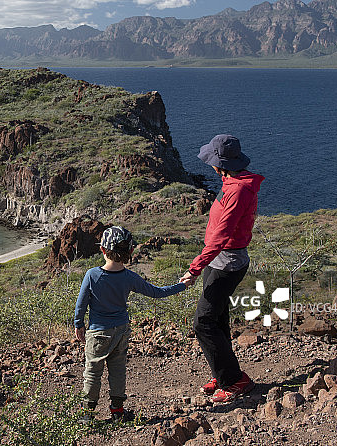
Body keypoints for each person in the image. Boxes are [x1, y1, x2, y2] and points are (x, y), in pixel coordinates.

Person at [180, 134, 265, 403]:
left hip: (226, 263)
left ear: (220, 163)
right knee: (217, 319)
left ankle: (235, 380)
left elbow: (222, 235)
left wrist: (194, 269)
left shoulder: (238, 189)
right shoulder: (232, 182)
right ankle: (223, 372)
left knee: (203, 322)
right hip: (220, 260)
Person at [74, 225, 188, 422]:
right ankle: (117, 412)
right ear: (131, 252)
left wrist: (78, 324)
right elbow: (156, 292)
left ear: (102, 250)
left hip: (98, 333)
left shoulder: (92, 275)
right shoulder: (129, 277)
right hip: (121, 331)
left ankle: (87, 415)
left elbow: (81, 304)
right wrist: (181, 285)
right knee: (118, 372)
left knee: (92, 373)